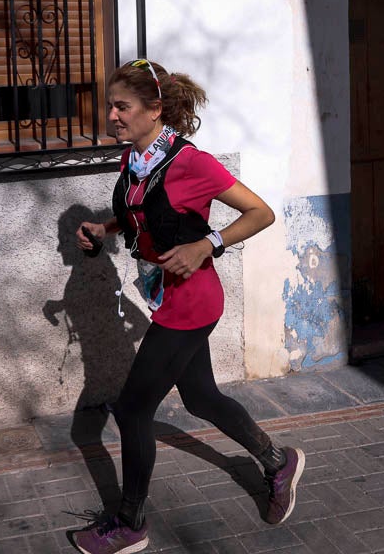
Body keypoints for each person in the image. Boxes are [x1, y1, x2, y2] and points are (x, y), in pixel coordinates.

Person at [69, 59, 305, 554]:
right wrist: (105, 229)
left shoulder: (189, 162)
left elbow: (260, 211)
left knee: (133, 409)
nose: (111, 115)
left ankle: (131, 523)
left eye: (122, 106)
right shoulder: (136, 157)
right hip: (167, 295)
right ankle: (277, 461)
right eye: (110, 105)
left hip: (193, 299)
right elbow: (142, 210)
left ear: (154, 109)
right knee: (199, 398)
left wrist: (208, 244)